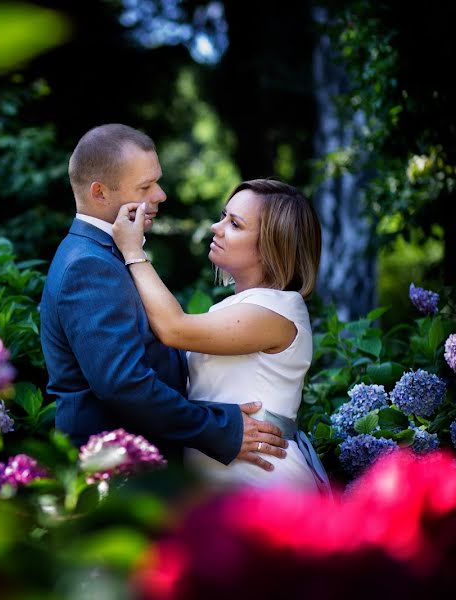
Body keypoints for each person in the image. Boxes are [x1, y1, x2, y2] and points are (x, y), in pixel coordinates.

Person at [40, 124, 288, 473]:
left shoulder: (109, 255)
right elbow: (124, 384)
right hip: (116, 474)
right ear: (99, 193)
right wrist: (220, 428)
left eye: (156, 181)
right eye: (145, 187)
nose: (160, 195)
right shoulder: (89, 265)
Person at [111, 179, 330, 492]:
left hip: (266, 487)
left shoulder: (280, 309)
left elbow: (173, 328)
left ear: (273, 246)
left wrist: (133, 250)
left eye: (235, 224)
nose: (217, 227)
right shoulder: (231, 306)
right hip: (223, 489)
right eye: (223, 216)